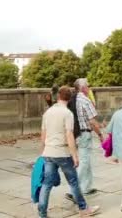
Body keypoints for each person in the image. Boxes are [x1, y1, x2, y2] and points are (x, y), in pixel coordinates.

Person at [38, 86, 100, 218]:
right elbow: (69, 135)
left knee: (47, 183)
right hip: (62, 152)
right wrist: (74, 155)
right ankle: (83, 209)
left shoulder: (48, 112)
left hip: (49, 152)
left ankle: (42, 213)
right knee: (73, 182)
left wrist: (42, 151)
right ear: (69, 98)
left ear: (58, 96)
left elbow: (43, 134)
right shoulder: (67, 114)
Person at [66, 78, 104, 202]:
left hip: (75, 134)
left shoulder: (72, 99)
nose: (89, 88)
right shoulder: (85, 100)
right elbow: (92, 121)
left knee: (85, 160)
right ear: (83, 88)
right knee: (83, 162)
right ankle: (73, 191)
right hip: (84, 134)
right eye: (88, 86)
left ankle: (86, 187)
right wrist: (100, 134)